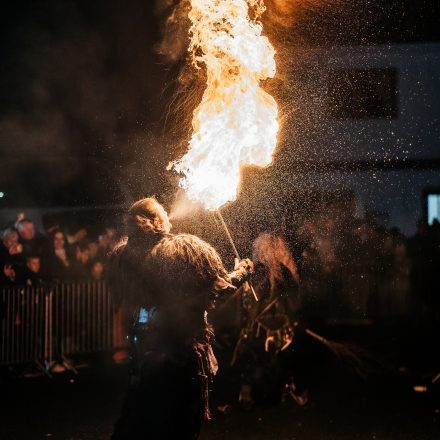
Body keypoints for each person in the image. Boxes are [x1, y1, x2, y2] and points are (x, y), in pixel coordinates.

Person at [109, 197, 253, 440]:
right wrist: (242, 272)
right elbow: (218, 288)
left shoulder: (123, 256)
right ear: (156, 220)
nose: (167, 214)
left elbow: (124, 300)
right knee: (181, 423)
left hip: (144, 352)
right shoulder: (185, 249)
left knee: (139, 420)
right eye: (163, 212)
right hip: (181, 351)